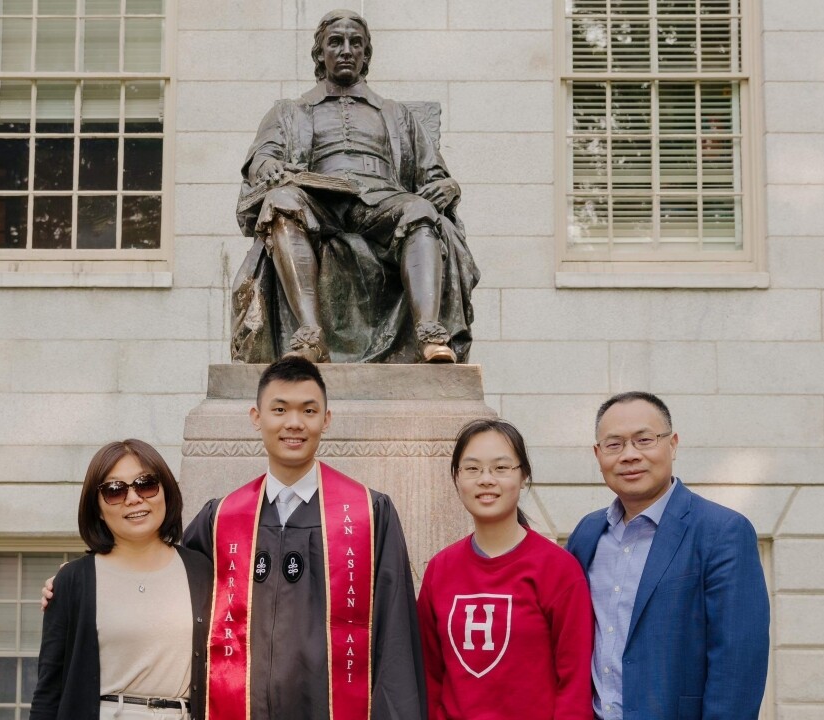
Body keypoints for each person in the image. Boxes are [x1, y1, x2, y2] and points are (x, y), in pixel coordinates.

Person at [230, 9, 479, 364]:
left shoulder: (396, 114)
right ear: (320, 54)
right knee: (281, 200)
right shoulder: (290, 111)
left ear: (365, 55)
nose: (346, 50)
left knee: (421, 210)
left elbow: (434, 174)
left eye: (355, 43)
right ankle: (310, 335)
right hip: (317, 198)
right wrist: (266, 164)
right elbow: (262, 157)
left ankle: (430, 334)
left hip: (381, 200)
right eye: (336, 42)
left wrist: (449, 187)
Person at [188, 355, 424, 720]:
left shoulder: (369, 514)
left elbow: (395, 640)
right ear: (257, 417)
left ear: (326, 420)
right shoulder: (221, 520)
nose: (294, 423)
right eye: (279, 409)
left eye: (309, 411)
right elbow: (170, 594)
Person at [565, 392, 770, 720]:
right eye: (614, 444)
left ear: (672, 444)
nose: (630, 455)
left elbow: (738, 666)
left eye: (644, 440)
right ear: (597, 453)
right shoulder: (587, 534)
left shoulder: (722, 532)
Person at [417, 419, 593, 720]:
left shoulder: (558, 569)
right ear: (456, 478)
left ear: (523, 475)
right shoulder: (440, 569)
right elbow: (429, 674)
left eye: (501, 468)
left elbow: (575, 683)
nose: (486, 479)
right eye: (472, 469)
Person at [31, 439, 210, 720]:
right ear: (98, 509)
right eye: (114, 491)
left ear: (166, 491)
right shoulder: (73, 581)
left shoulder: (203, 571)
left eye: (146, 484)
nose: (133, 498)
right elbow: (48, 691)